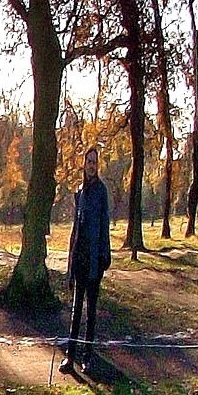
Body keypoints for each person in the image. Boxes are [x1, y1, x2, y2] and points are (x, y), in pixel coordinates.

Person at [62, 145, 111, 376]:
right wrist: (70, 263)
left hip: (94, 261)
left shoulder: (101, 192)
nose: (91, 165)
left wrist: (104, 256)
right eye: (88, 161)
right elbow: (76, 229)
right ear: (84, 164)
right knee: (75, 311)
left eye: (94, 162)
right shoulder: (80, 192)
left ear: (97, 165)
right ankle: (70, 356)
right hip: (79, 259)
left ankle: (87, 357)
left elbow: (104, 226)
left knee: (91, 312)